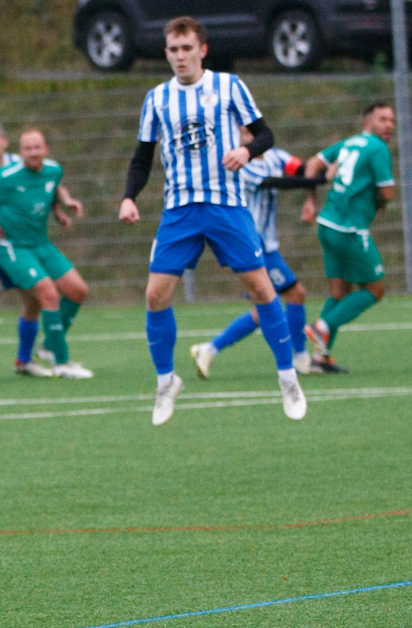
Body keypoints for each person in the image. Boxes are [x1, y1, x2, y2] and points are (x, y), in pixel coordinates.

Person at [117, 16, 306, 425]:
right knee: (155, 296)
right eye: (173, 49)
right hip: (180, 211)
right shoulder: (158, 98)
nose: (180, 56)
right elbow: (142, 158)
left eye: (187, 48)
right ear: (166, 53)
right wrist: (129, 197)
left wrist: (248, 151)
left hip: (226, 206)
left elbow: (265, 135)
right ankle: (166, 382)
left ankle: (288, 376)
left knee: (261, 288)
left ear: (202, 50)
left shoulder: (228, 86)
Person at [0, 127, 93, 379]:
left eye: (37, 147)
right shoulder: (1, 175)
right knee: (42, 294)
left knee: (78, 290)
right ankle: (62, 363)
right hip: (9, 245)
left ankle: (43, 349)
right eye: (28, 148)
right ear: (20, 152)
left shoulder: (53, 169)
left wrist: (62, 208)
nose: (33, 152)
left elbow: (52, 187)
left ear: (45, 149)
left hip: (40, 243)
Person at [189, 126, 327, 379]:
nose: (248, 134)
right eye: (242, 130)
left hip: (267, 243)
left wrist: (326, 170)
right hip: (253, 244)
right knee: (295, 294)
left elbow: (302, 168)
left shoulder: (276, 156)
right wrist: (322, 180)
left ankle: (209, 349)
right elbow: (275, 183)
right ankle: (299, 357)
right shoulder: (239, 163)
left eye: (251, 129)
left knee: (263, 309)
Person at [300, 102, 396, 371]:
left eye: (391, 120)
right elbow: (387, 193)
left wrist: (310, 201)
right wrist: (378, 203)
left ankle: (320, 358)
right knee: (375, 289)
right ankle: (322, 327)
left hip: (327, 224)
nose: (389, 125)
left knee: (339, 292)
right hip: (350, 230)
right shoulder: (378, 148)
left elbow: (312, 164)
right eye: (383, 119)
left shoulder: (350, 142)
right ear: (369, 122)